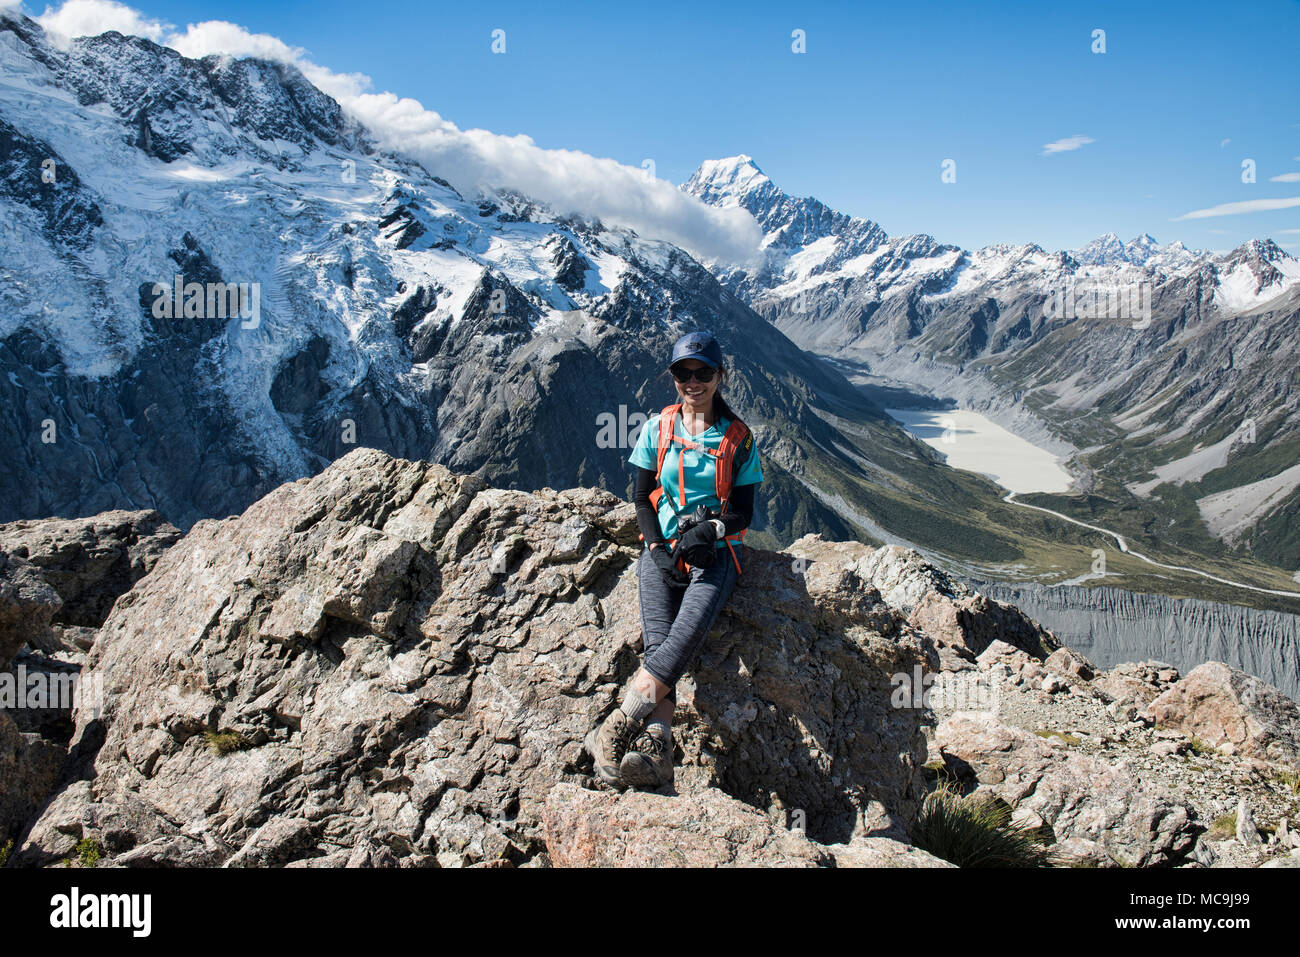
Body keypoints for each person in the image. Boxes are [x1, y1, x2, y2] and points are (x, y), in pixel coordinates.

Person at [584, 330, 763, 790]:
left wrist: (714, 528)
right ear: (673, 377)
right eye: (684, 372)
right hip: (661, 551)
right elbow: (641, 497)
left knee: (677, 642)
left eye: (703, 372)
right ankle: (657, 747)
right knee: (663, 645)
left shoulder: (739, 439)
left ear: (720, 376)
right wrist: (657, 549)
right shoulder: (657, 427)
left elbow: (743, 509)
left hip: (716, 556)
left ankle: (617, 725)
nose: (693, 381)